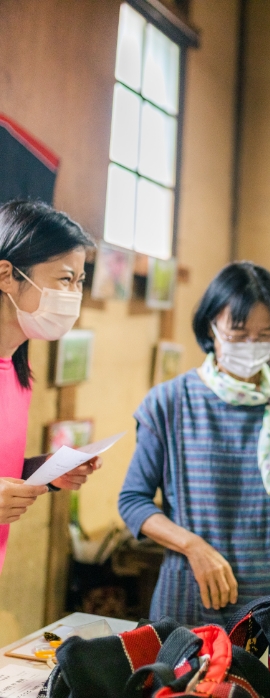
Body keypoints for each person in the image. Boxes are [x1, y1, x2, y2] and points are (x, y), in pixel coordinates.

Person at [118, 261, 270, 625]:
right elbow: (133, 501)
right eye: (239, 332)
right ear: (210, 327)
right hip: (192, 604)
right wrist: (193, 547)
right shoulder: (169, 403)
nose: (251, 345)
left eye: (265, 336)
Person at [0, 200, 102, 575]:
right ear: (6, 275)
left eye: (79, 281)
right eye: (64, 279)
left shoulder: (18, 370)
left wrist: (46, 472)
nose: (73, 294)